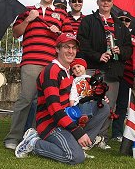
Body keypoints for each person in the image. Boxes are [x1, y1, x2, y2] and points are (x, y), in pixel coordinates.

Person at [14, 33, 110, 164]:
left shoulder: (69, 72)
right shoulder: (51, 71)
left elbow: (79, 97)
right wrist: (77, 132)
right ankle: (34, 142)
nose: (71, 51)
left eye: (74, 48)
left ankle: (78, 144)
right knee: (75, 157)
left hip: (66, 118)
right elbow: (54, 109)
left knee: (103, 106)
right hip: (51, 123)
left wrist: (97, 97)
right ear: (57, 49)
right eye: (66, 47)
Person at [4, 0, 73, 150]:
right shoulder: (27, 10)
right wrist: (28, 20)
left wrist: (59, 34)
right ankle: (13, 137)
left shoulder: (62, 14)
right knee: (26, 99)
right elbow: (15, 34)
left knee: (44, 102)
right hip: (31, 61)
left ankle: (35, 136)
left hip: (52, 65)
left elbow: (70, 38)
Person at [77, 0, 132, 149]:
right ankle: (83, 135)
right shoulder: (88, 20)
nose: (105, 3)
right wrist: (97, 56)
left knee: (109, 106)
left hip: (113, 71)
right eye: (103, 0)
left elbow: (129, 48)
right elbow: (82, 43)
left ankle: (101, 137)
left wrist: (120, 50)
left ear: (112, 2)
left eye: (108, 0)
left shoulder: (120, 25)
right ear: (98, 1)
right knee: (87, 103)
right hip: (93, 69)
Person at [111, 10, 135, 141]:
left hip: (134, 75)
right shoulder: (113, 35)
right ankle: (117, 133)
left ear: (130, 22)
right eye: (121, 20)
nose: (124, 22)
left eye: (127, 20)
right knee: (120, 105)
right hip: (120, 75)